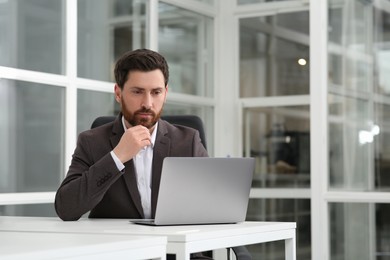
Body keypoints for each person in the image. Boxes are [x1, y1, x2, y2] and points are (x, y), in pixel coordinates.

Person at [55, 48, 251, 260]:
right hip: (119, 253)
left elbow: (216, 208)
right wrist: (117, 156)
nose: (147, 103)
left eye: (156, 92)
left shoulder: (188, 141)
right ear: (118, 93)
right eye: (137, 91)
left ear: (165, 93)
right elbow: (67, 208)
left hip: (177, 254)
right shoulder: (92, 141)